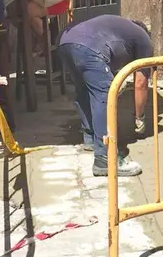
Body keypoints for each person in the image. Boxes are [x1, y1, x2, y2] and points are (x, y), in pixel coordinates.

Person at [58, 15, 150, 177]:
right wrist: (139, 117)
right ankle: (104, 158)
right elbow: (140, 83)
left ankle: (91, 137)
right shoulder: (144, 39)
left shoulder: (118, 28)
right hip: (88, 47)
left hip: (65, 41)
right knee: (105, 94)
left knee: (84, 89)